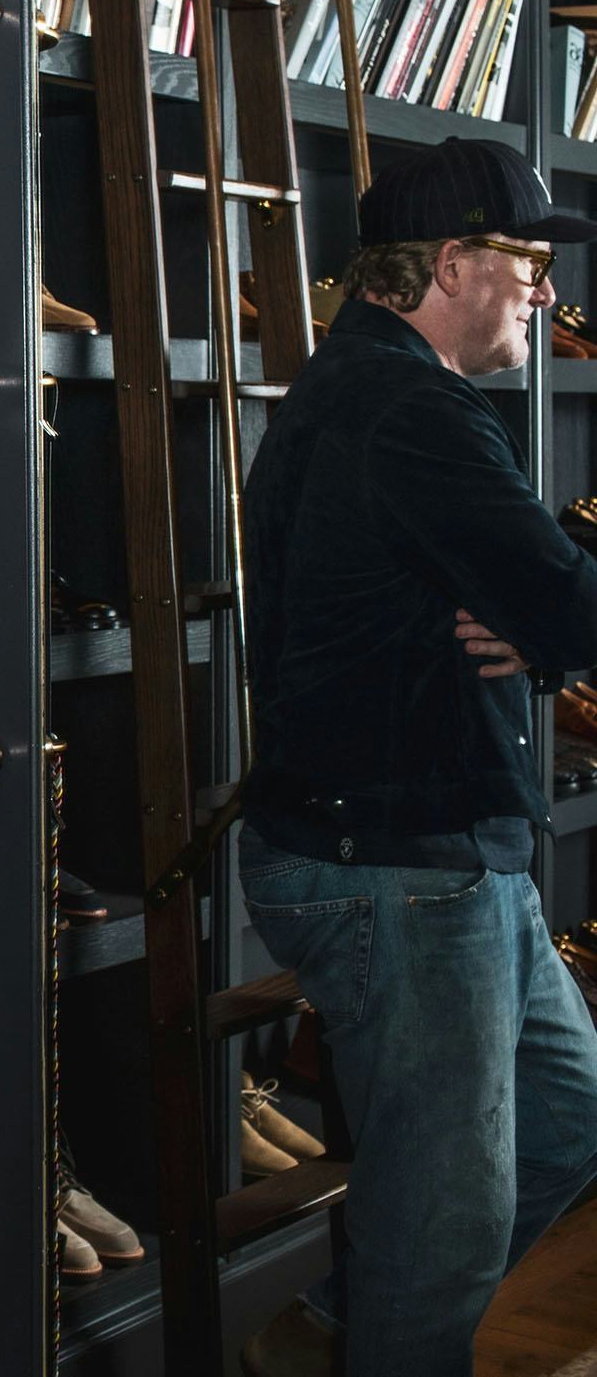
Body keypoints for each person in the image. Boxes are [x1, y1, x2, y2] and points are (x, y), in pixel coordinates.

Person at [238, 137, 597, 1376]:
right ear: (451, 264)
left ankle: (338, 1331)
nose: (546, 292)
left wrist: (532, 615)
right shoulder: (411, 409)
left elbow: (536, 611)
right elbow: (569, 609)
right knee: (447, 1235)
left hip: (444, 849)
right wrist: (543, 613)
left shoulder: (371, 387)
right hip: (395, 866)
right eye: (529, 263)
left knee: (570, 1121)